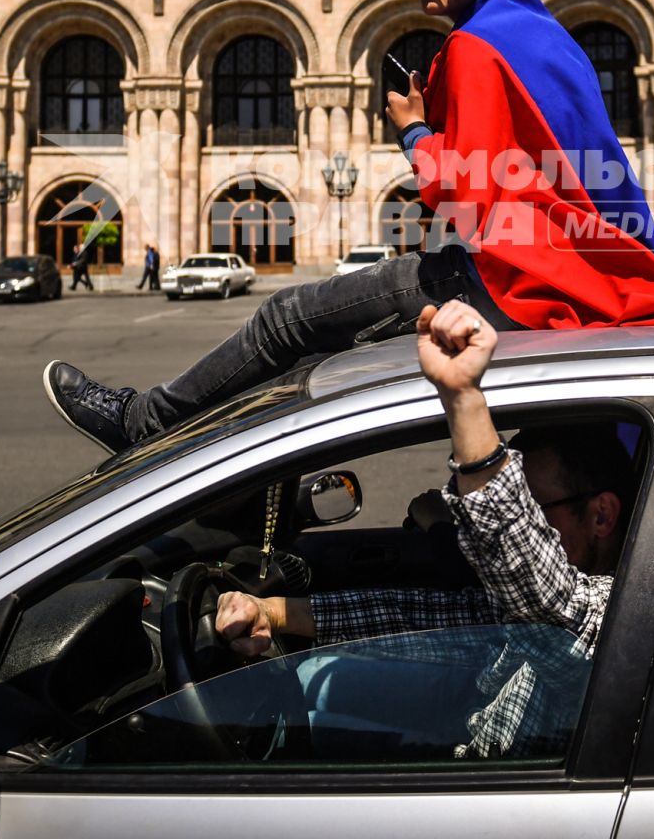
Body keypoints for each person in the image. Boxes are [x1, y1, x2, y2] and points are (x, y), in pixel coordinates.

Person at [41, 0, 654, 452]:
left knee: (286, 322)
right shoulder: (548, 36)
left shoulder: (478, 47)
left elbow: (471, 195)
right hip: (599, 275)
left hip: (529, 280)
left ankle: (145, 423)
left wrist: (415, 132)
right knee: (322, 352)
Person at [213, 299, 625, 758]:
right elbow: (412, 618)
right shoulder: (524, 620)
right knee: (315, 683)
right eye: (521, 505)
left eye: (536, 507)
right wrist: (270, 611)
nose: (529, 524)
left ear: (601, 516)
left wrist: (463, 399)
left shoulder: (614, 620)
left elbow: (535, 587)